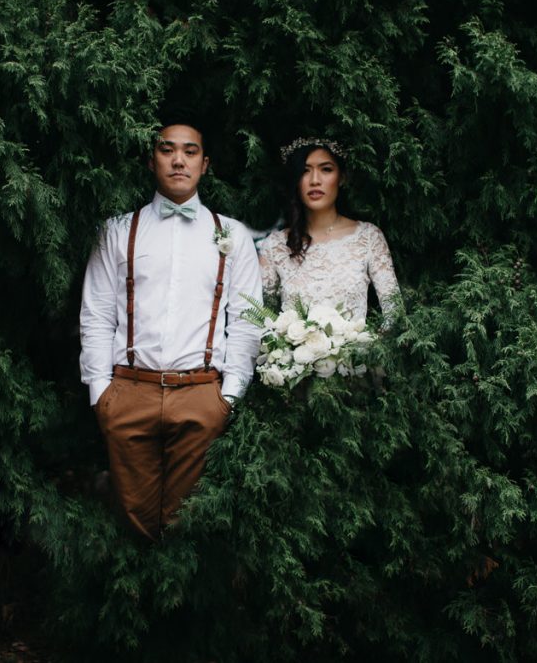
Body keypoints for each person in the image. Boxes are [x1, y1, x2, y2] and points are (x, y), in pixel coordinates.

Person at [79, 117, 263, 541]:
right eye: (167, 149)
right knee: (133, 524)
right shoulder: (117, 231)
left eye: (190, 151)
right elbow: (97, 314)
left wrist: (229, 396)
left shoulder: (232, 235)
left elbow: (247, 319)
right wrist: (101, 393)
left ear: (205, 164)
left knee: (188, 526)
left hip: (202, 395)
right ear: (152, 160)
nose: (178, 160)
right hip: (129, 393)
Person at [258, 137, 400, 322]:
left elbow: (395, 316)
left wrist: (366, 340)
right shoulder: (275, 245)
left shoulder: (368, 237)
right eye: (305, 171)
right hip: (295, 341)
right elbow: (261, 321)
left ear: (342, 177)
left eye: (326, 169)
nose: (315, 180)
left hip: (356, 340)